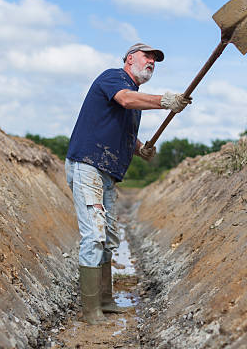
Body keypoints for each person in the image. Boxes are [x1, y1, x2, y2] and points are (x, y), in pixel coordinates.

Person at [65, 43, 191, 324]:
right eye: (147, 57)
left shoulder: (134, 101)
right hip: (88, 165)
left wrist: (140, 148)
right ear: (130, 58)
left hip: (106, 172)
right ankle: (90, 311)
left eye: (155, 61)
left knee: (108, 239)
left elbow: (120, 130)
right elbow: (125, 100)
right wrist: (166, 100)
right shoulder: (115, 78)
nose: (151, 63)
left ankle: (106, 301)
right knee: (94, 235)